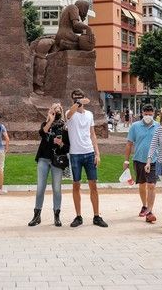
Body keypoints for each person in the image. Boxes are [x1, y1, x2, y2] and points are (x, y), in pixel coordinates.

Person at [66, 89, 108, 228]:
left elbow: (92, 134)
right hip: (75, 154)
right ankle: (78, 216)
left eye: (79, 98)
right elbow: (70, 113)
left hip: (89, 152)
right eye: (75, 98)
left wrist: (97, 153)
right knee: (76, 185)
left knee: (93, 185)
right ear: (72, 100)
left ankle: (96, 215)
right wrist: (77, 103)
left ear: (84, 98)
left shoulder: (89, 114)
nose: (77, 100)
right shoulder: (69, 113)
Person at [29, 103, 69, 227]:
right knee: (40, 188)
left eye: (58, 110)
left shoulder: (65, 127)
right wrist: (50, 120)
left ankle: (57, 216)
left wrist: (61, 143)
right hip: (44, 159)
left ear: (61, 112)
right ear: (50, 111)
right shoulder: (45, 124)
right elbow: (42, 133)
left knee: (57, 189)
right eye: (53, 110)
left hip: (57, 160)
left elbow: (67, 147)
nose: (56, 112)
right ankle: (37, 215)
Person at [124, 104, 159, 223]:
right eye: (146, 114)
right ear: (142, 113)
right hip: (139, 159)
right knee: (142, 184)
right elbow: (129, 143)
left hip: (154, 160)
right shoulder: (135, 126)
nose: (148, 116)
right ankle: (144, 205)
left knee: (152, 185)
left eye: (150, 114)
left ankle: (150, 211)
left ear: (154, 114)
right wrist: (126, 160)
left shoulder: (158, 126)